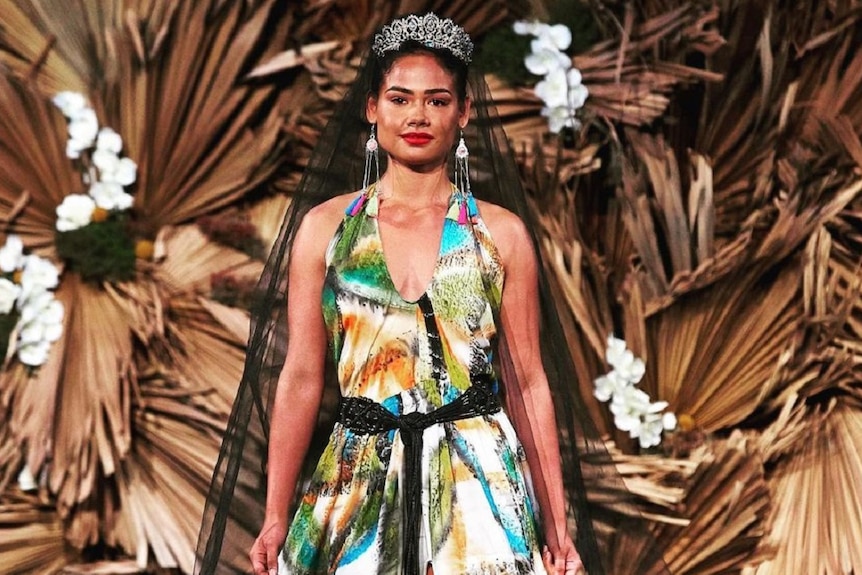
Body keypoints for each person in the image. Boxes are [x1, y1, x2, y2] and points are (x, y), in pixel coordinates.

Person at [196, 12, 667, 575]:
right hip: (358, 483)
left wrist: (557, 525)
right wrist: (275, 515)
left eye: (438, 101)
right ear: (372, 108)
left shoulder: (500, 234)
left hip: (479, 487)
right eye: (400, 98)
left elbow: (526, 380)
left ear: (463, 113)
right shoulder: (326, 231)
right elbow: (300, 373)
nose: (418, 115)